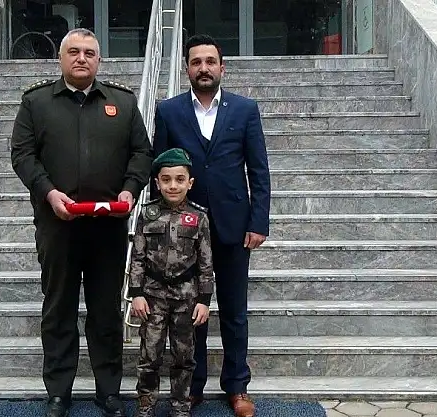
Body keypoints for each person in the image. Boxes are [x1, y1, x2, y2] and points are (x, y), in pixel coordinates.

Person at [10, 28, 154, 417]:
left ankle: (109, 391)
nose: (81, 58)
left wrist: (130, 190)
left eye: (89, 53)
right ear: (60, 58)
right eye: (73, 51)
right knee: (59, 309)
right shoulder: (37, 102)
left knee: (105, 312)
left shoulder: (122, 103)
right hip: (58, 226)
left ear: (99, 61)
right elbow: (22, 155)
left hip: (108, 229)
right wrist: (48, 193)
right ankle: (59, 392)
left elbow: (142, 153)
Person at [151, 34, 271, 417]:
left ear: (222, 67)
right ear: (186, 68)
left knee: (234, 311)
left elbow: (259, 170)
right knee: (190, 311)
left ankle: (237, 387)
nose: (203, 68)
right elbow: (158, 170)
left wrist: (259, 221)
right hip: (185, 230)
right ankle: (193, 386)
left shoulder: (245, 110)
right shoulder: (168, 111)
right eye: (196, 62)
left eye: (210, 61)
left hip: (234, 227)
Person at [128, 147, 214, 417]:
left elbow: (206, 263)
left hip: (186, 298)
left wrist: (204, 300)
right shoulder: (147, 214)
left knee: (183, 357)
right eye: (166, 180)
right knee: (149, 355)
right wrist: (136, 293)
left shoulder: (198, 217)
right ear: (157, 183)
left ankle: (180, 405)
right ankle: (146, 404)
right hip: (152, 297)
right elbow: (137, 257)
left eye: (179, 179)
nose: (172, 186)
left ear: (190, 183)